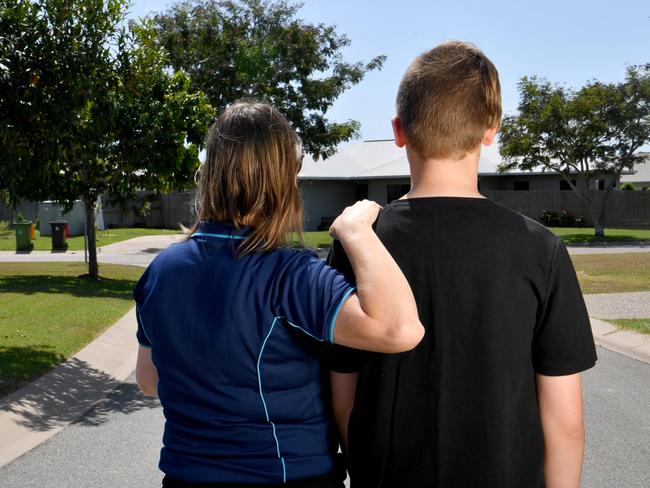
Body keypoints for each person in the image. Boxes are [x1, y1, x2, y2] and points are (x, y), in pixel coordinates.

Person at [328, 41, 597, 488]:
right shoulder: (540, 249)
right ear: (490, 129)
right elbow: (564, 422)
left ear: (399, 130)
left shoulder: (359, 243)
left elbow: (344, 397)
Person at [133, 101, 424, 488]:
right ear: (282, 179)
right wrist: (356, 232)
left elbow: (148, 380)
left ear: (210, 174)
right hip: (284, 475)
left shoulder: (160, 272)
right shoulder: (290, 274)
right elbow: (399, 329)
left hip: (184, 476)